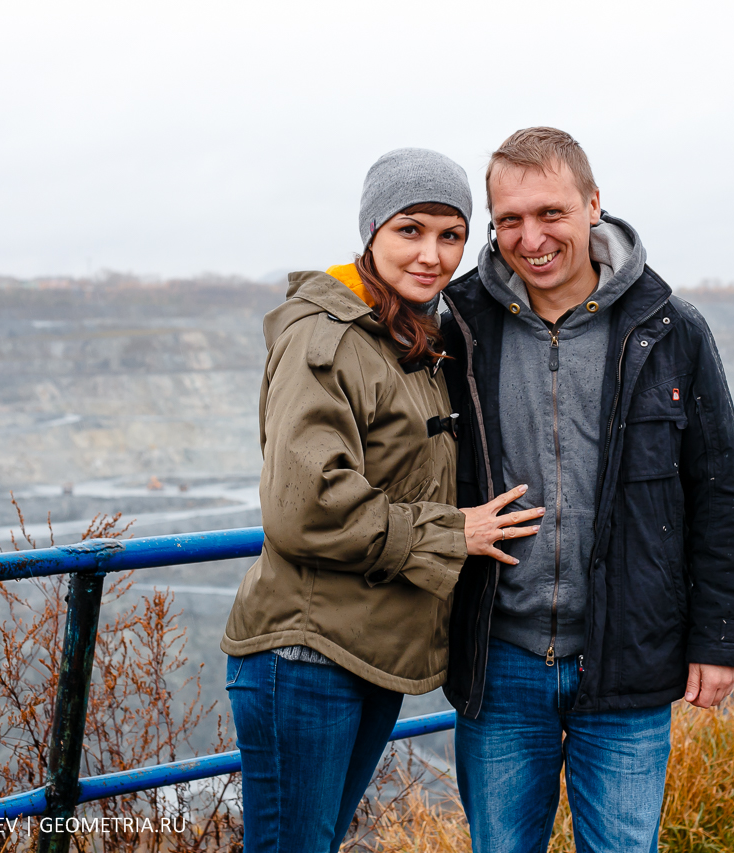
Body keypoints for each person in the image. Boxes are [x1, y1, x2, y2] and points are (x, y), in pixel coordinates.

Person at [440, 127, 734, 852]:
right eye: (510, 219)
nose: (531, 238)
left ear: (593, 205)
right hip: (499, 659)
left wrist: (720, 639)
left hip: (628, 656)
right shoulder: (460, 327)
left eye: (550, 212)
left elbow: (719, 491)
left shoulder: (672, 329)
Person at [221, 148, 544, 853]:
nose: (432, 255)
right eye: (410, 230)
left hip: (368, 649)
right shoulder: (327, 336)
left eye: (451, 235)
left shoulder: (405, 333)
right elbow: (306, 506)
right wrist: (450, 533)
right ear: (371, 230)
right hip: (307, 652)